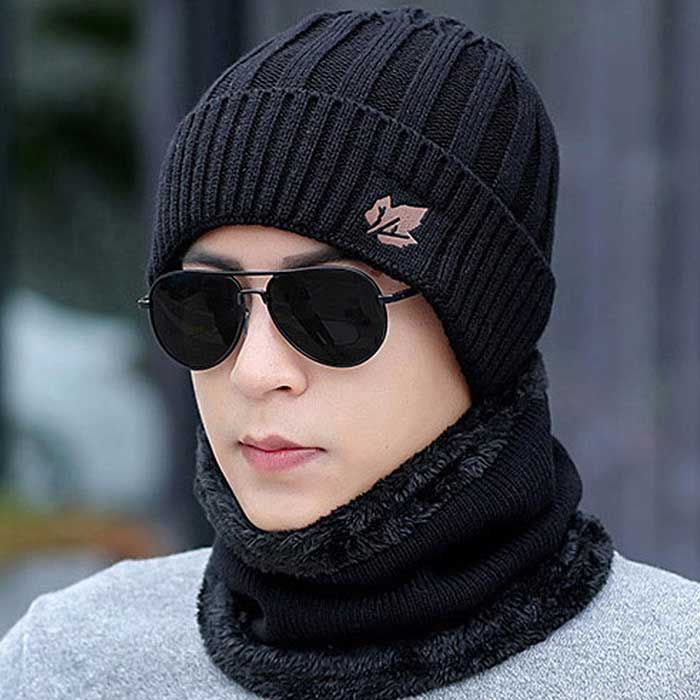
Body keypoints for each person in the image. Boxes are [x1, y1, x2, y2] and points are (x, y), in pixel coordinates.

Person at [2, 6, 699, 699]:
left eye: (331, 310)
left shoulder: (670, 672)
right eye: (203, 307)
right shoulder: (68, 662)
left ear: (485, 334)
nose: (255, 371)